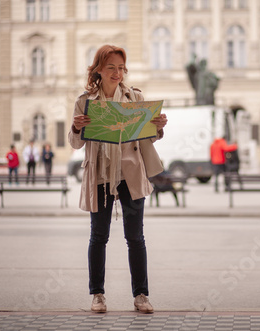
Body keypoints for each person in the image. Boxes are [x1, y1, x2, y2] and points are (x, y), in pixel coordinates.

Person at [68, 45, 167, 314]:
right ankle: (97, 295)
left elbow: (148, 137)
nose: (117, 72)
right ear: (98, 69)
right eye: (111, 67)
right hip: (100, 174)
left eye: (121, 68)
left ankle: (141, 295)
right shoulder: (85, 101)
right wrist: (77, 127)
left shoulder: (135, 97)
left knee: (135, 237)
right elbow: (75, 143)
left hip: (131, 173)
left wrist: (157, 128)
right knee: (98, 236)